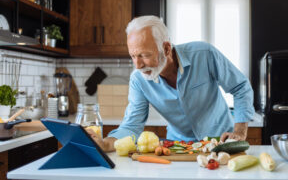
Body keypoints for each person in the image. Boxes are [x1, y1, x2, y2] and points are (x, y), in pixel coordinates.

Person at [87, 15, 254, 152]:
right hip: (177, 148)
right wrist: (105, 143)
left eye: (144, 55)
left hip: (220, 143)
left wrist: (239, 132)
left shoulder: (204, 54)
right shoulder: (138, 80)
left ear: (166, 49)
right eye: (133, 56)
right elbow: (131, 125)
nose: (138, 65)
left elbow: (240, 87)